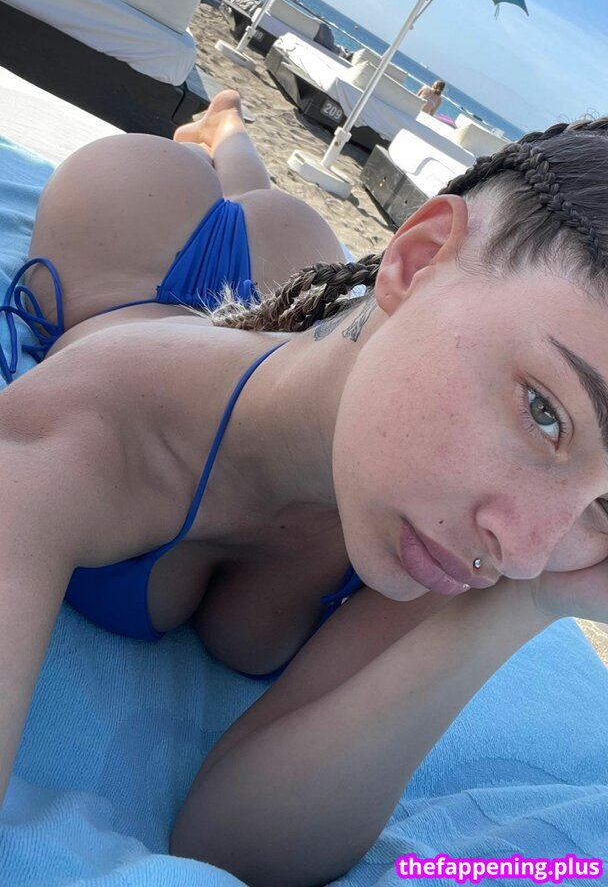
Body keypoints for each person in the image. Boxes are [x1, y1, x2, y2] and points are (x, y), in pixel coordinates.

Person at [2, 103, 608, 887]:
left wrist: (527, 603)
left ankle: (233, 141)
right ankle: (222, 131)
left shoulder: (466, 530)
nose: (523, 549)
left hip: (303, 296)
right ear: (417, 260)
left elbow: (233, 844)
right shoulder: (82, 432)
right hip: (136, 239)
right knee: (211, 191)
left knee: (290, 236)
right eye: (545, 412)